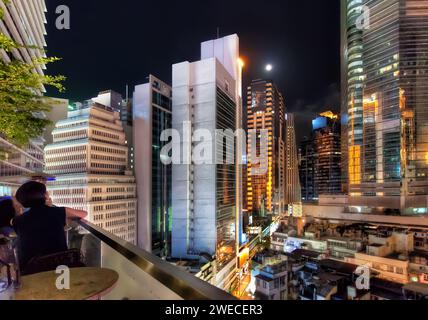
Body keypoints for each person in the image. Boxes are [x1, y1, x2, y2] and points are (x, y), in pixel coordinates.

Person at [12, 181, 87, 272]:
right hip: (59, 267)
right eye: (46, 192)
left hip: (30, 271)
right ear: (44, 196)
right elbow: (83, 214)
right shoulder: (58, 212)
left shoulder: (17, 220)